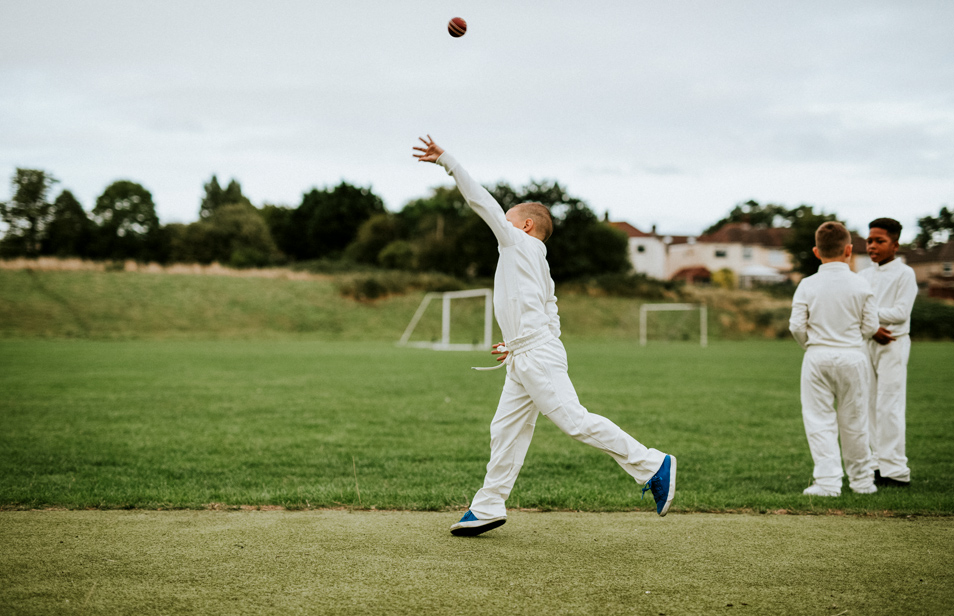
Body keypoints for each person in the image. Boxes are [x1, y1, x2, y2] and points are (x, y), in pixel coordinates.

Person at [413, 136, 675, 536]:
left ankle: (652, 464)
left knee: (575, 422)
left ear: (526, 225)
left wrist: (447, 161)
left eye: (510, 218)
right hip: (528, 354)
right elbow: (549, 311)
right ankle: (487, 507)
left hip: (536, 355)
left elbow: (480, 200)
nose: (503, 222)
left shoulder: (518, 242)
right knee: (505, 429)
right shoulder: (537, 261)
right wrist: (516, 343)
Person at [789, 221, 880, 497]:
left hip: (817, 356)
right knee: (855, 420)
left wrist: (811, 347)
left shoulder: (807, 284)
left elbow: (796, 326)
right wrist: (854, 340)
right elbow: (871, 326)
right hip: (853, 355)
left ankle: (828, 483)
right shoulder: (861, 284)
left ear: (817, 251)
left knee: (819, 421)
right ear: (849, 250)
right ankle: (862, 482)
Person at [859, 218, 918, 488]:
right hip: (868, 341)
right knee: (869, 403)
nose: (872, 246)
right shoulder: (862, 275)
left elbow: (900, 313)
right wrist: (872, 327)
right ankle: (875, 465)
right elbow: (855, 311)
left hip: (893, 342)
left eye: (879, 241)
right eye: (870, 240)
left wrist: (870, 318)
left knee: (889, 405)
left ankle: (895, 469)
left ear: (895, 244)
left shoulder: (905, 274)